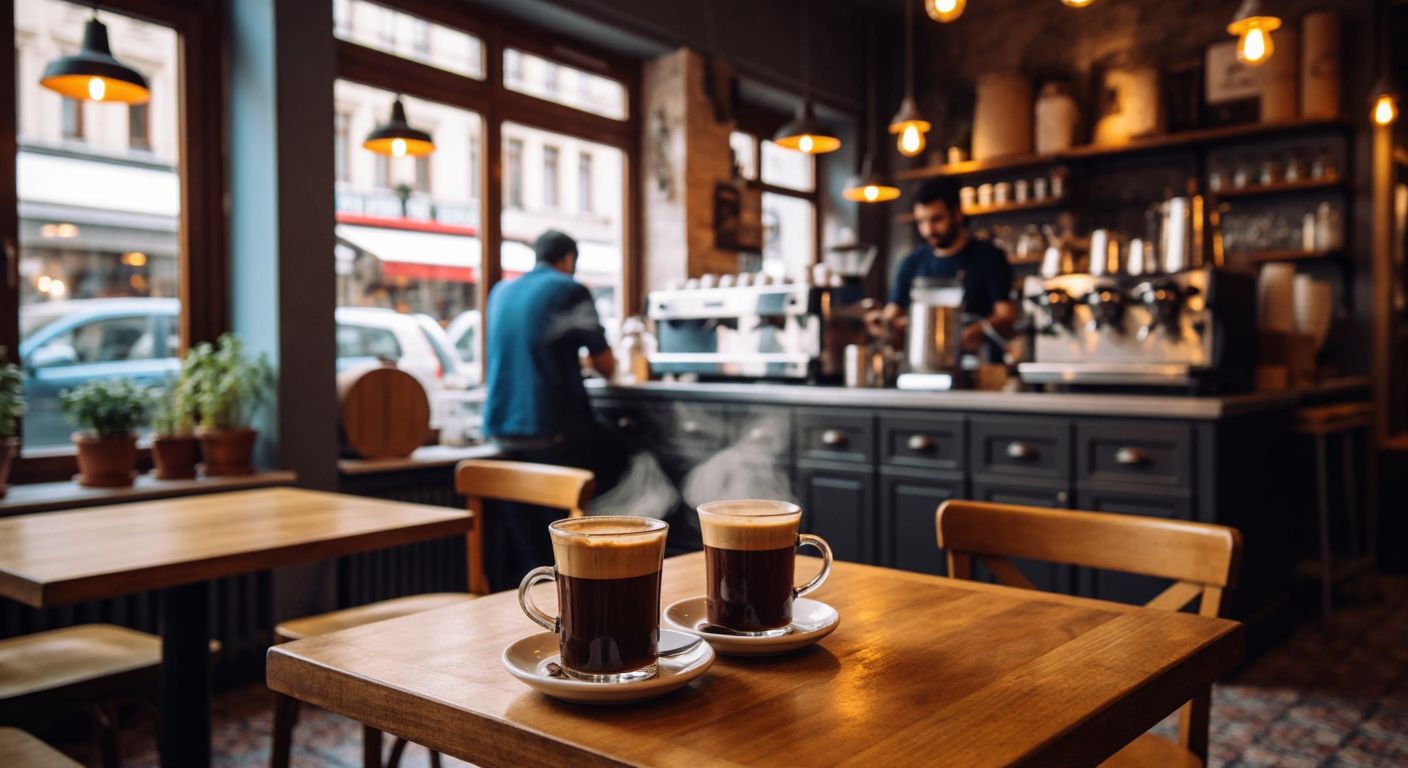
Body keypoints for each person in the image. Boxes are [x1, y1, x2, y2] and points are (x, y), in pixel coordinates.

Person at [482, 229, 628, 590]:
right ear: (568, 260)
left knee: (531, 541)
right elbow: (606, 364)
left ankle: (546, 588)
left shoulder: (501, 291)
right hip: (552, 431)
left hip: (502, 433)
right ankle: (611, 575)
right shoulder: (569, 289)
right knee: (629, 460)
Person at [872, 178, 1018, 358]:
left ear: (957, 214)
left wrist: (976, 330)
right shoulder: (912, 262)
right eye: (921, 221)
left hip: (979, 363)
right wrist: (882, 323)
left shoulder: (989, 257)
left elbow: (1005, 314)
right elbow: (892, 314)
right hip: (924, 362)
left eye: (936, 219)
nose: (929, 229)